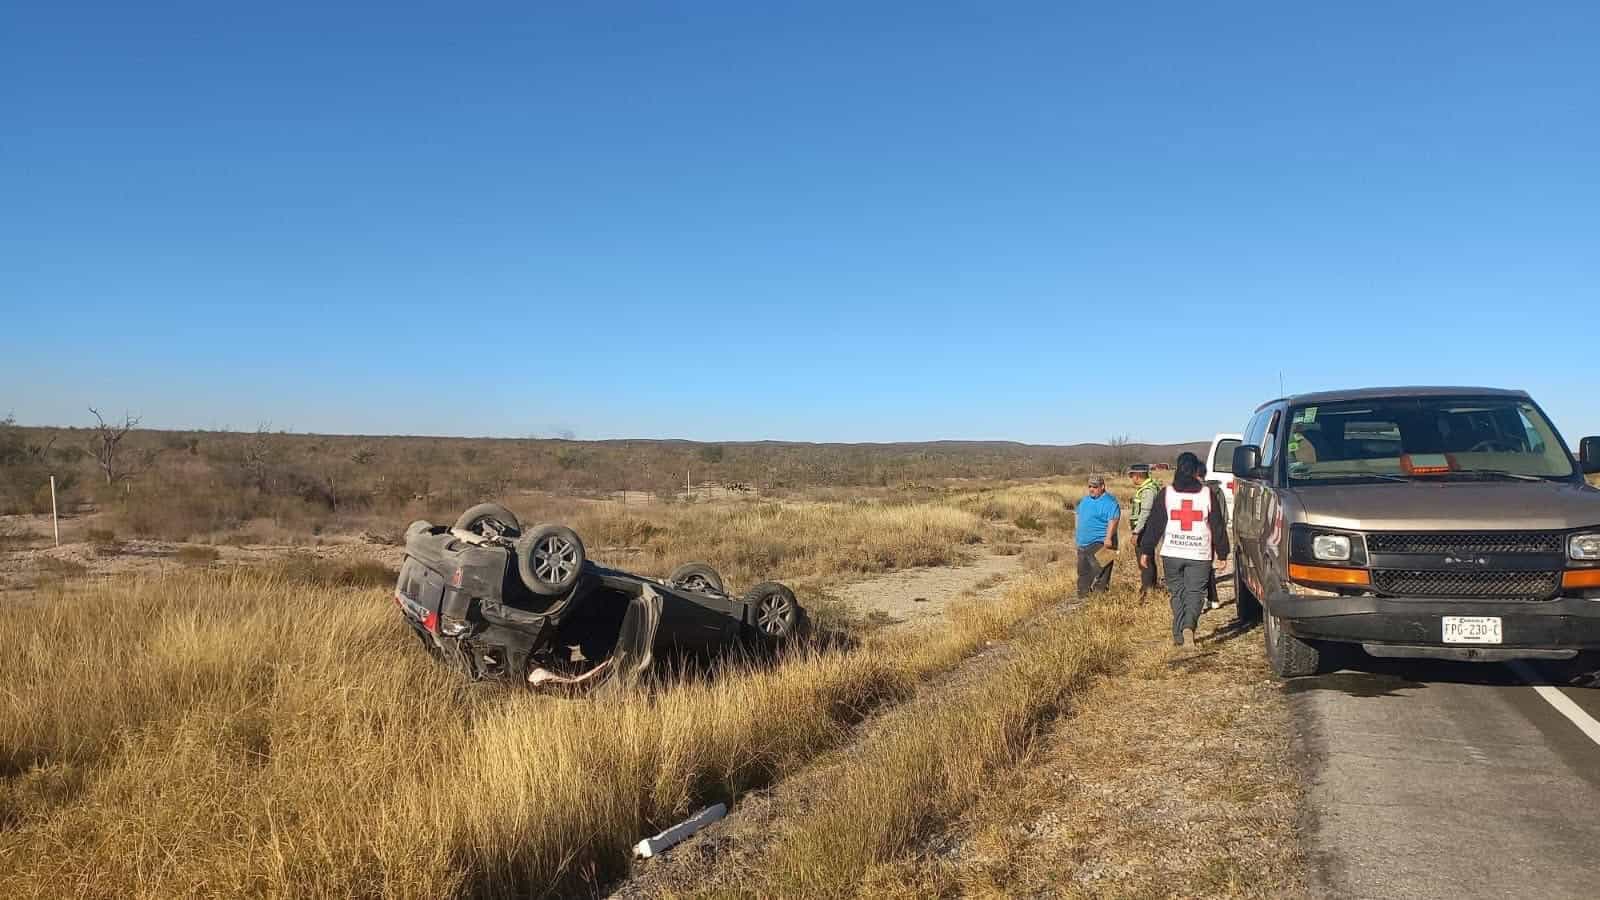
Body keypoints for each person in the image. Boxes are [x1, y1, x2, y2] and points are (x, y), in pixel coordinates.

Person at [1139, 452, 1230, 649]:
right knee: (1195, 593)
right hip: (1199, 553)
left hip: (1172, 553)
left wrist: (1146, 550)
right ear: (1196, 470)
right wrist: (1223, 553)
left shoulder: (1166, 494)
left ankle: (1178, 634)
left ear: (1178, 469)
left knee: (1177, 593)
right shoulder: (1207, 494)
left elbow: (1154, 525)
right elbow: (1218, 526)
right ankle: (1189, 626)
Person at [1074, 474, 1121, 598]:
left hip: (1100, 542)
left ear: (1102, 487)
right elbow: (1078, 515)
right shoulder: (1085, 500)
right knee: (1083, 572)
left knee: (1100, 572)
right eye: (1090, 486)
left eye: (1095, 487)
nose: (1091, 489)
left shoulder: (1110, 502)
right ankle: (1082, 597)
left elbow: (1114, 519)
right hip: (1083, 543)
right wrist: (1077, 534)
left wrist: (1109, 538)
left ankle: (1099, 599)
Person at [1127, 465, 1161, 602]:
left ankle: (1147, 590)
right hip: (1146, 529)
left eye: (1131, 475)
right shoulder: (1149, 487)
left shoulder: (1148, 490)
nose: (1131, 478)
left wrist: (1136, 532)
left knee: (1145, 560)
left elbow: (1145, 512)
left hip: (1144, 530)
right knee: (1148, 559)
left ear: (1137, 475)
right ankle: (1150, 587)